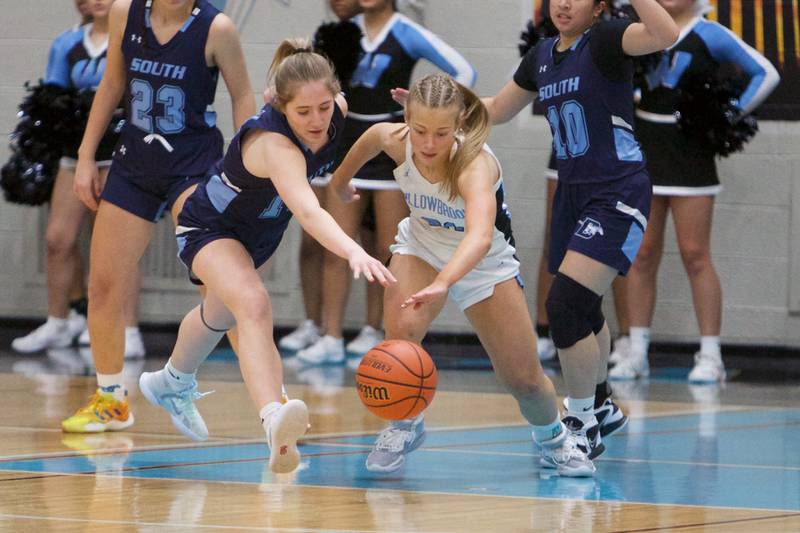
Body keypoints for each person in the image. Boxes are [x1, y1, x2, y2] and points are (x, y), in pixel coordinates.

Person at [138, 40, 395, 474]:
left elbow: (353, 146)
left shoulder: (336, 111)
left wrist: (339, 181)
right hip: (209, 226)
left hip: (255, 235)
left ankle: (171, 382)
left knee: (217, 315)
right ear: (279, 104)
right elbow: (308, 211)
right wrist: (353, 249)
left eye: (324, 107)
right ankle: (273, 416)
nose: (317, 119)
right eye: (303, 112)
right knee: (253, 305)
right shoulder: (275, 144)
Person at [331, 73, 594, 477]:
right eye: (420, 131)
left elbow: (480, 237)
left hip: (483, 263)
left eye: (441, 133)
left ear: (459, 127)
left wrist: (444, 283)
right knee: (401, 330)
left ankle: (553, 438)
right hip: (421, 245)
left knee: (524, 380)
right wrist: (339, 182)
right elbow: (367, 141)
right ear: (406, 118)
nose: (429, 144)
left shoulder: (474, 166)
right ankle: (404, 422)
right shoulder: (393, 138)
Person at [480, 0, 678, 457]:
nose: (564, 3)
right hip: (572, 193)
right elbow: (496, 109)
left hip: (617, 190)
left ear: (600, 6)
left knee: (564, 305)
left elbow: (665, 34)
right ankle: (603, 403)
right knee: (584, 308)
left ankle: (583, 419)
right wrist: (439, 110)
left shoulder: (608, 39)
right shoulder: (542, 55)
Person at [62, 0, 255, 433]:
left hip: (193, 167)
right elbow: (112, 83)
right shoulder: (122, 13)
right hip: (133, 165)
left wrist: (247, 164)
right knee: (104, 283)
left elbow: (243, 94)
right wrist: (87, 155)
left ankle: (271, 406)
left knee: (223, 287)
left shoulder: (216, 28)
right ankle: (111, 398)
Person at [295, 0, 477, 365]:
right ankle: (330, 335)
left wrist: (423, 114)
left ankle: (374, 329)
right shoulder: (343, 31)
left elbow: (463, 70)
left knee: (388, 249)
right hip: (348, 142)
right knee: (338, 246)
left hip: (390, 144)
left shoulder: (406, 32)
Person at [610, 0, 779, 382]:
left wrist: (726, 114)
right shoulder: (641, 27)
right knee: (642, 252)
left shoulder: (710, 33)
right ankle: (636, 351)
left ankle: (710, 355)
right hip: (645, 147)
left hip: (690, 152)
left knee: (695, 253)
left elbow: (765, 73)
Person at [11, 0, 145, 359]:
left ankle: (127, 328)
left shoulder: (135, 41)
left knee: (117, 245)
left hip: (121, 152)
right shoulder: (66, 44)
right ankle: (59, 320)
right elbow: (50, 101)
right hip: (78, 152)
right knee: (58, 237)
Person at [277, 0, 388, 358]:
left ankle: (370, 330)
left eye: (322, 108)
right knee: (318, 243)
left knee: (378, 247)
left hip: (370, 161)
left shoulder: (393, 35)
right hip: (324, 157)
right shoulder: (324, 42)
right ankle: (322, 329)